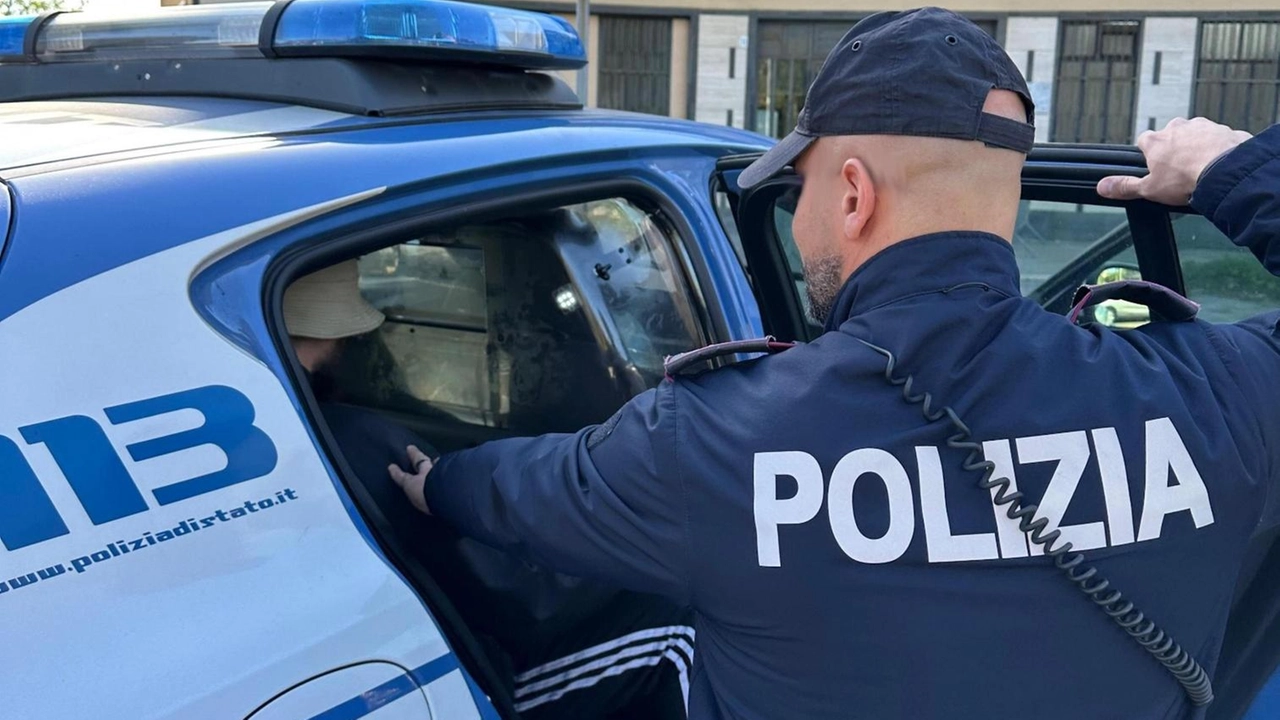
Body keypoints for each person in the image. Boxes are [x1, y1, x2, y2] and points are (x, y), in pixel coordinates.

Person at [390, 7, 1280, 720]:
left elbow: (525, 489)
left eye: (803, 187)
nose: (802, 215)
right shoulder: (1217, 393)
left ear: (852, 192)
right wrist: (1236, 172)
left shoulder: (711, 441)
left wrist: (431, 483)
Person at [283, 259, 694, 719]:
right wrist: (630, 547)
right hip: (482, 680)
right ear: (335, 332)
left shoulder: (295, 435)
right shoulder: (361, 441)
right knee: (674, 623)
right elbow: (524, 603)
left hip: (382, 659)